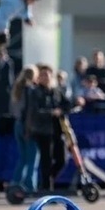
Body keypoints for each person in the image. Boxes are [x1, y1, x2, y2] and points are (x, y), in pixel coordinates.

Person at [25, 64, 73, 192]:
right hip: (43, 130)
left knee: (62, 159)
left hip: (58, 130)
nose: (45, 77)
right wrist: (51, 112)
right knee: (46, 159)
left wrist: (64, 109)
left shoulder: (56, 91)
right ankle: (47, 188)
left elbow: (67, 104)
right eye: (42, 75)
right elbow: (34, 112)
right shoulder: (35, 92)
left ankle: (47, 179)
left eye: (47, 75)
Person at [9, 66, 39, 194]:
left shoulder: (16, 89)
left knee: (22, 157)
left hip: (17, 124)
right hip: (28, 126)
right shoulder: (30, 90)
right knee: (33, 158)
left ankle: (15, 183)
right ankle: (29, 185)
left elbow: (13, 109)